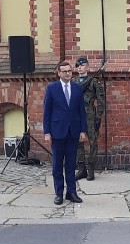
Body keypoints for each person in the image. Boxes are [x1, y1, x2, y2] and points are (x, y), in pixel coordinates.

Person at [43, 61, 88, 206]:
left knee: (70, 164)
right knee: (57, 164)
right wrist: (47, 132)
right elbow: (47, 112)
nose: (68, 73)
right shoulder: (52, 88)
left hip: (73, 131)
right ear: (59, 73)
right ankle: (58, 193)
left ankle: (71, 192)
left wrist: (82, 130)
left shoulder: (77, 88)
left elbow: (82, 110)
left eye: (69, 71)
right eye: (64, 71)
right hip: (57, 132)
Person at [73, 56, 105, 181]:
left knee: (93, 141)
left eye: (82, 65)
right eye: (78, 66)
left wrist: (99, 117)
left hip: (90, 114)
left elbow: (101, 101)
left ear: (87, 67)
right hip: (76, 115)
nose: (79, 68)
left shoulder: (94, 82)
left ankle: (91, 168)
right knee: (78, 142)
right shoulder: (73, 82)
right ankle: (82, 169)